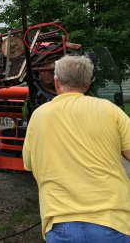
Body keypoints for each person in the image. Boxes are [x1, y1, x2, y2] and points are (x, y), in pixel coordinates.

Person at [22, 54, 130, 242]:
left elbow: (29, 164)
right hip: (112, 222)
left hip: (61, 224)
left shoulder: (39, 116)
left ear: (55, 82)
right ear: (88, 84)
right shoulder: (111, 110)